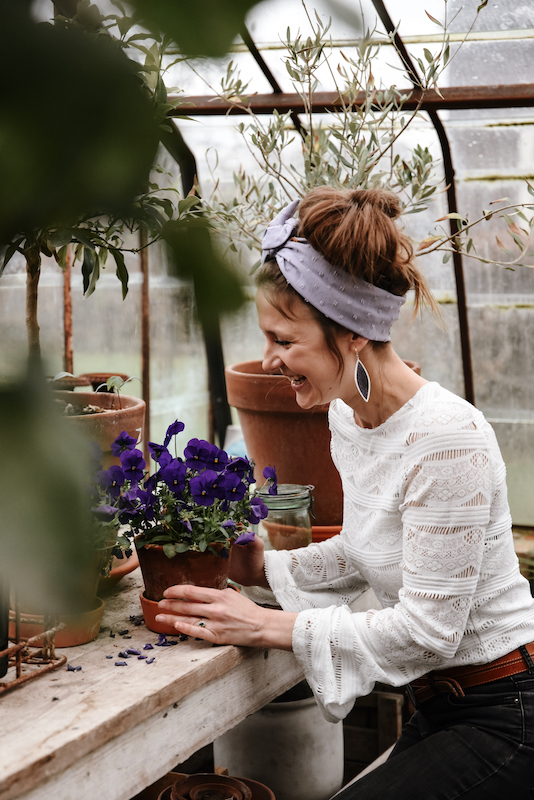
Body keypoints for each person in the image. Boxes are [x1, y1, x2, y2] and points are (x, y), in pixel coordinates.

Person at [156, 186, 534, 798]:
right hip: (440, 706)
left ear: (353, 332)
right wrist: (259, 565)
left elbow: (428, 631)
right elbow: (363, 550)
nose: (269, 359)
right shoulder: (350, 419)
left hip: (508, 715)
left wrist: (268, 625)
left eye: (284, 340)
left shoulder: (446, 438)